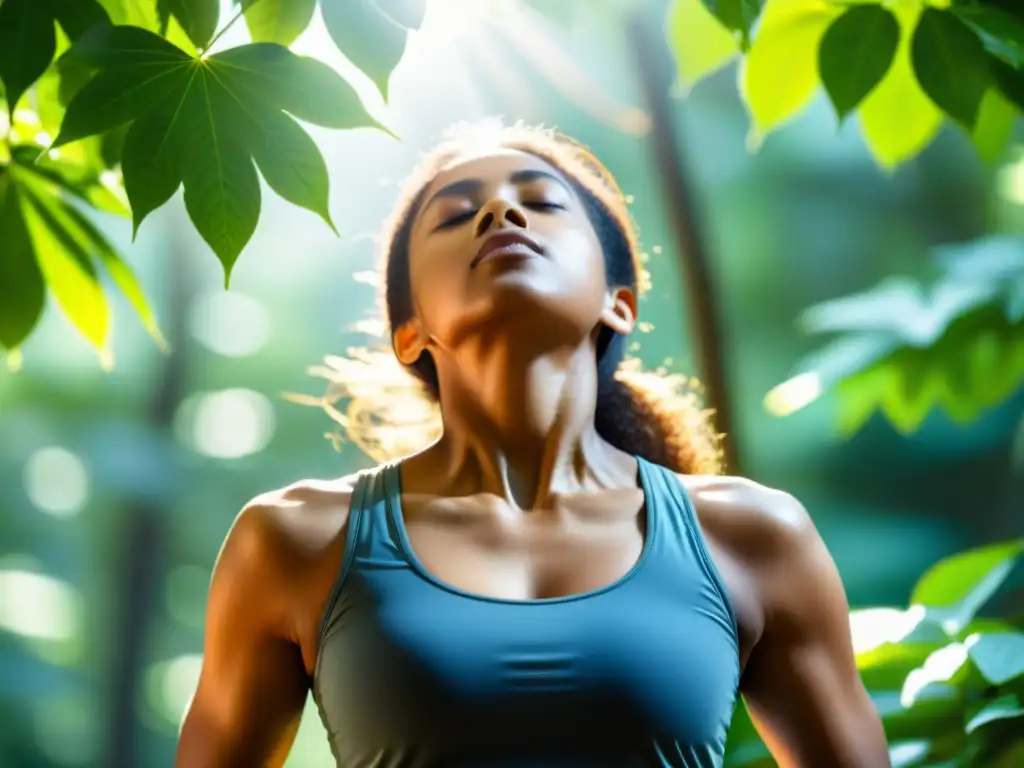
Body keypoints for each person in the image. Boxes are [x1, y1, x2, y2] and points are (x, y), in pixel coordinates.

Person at [176, 121, 890, 767]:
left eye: (542, 201)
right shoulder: (294, 542)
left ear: (620, 303)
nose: (500, 213)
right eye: (457, 214)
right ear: (409, 333)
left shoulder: (754, 536)